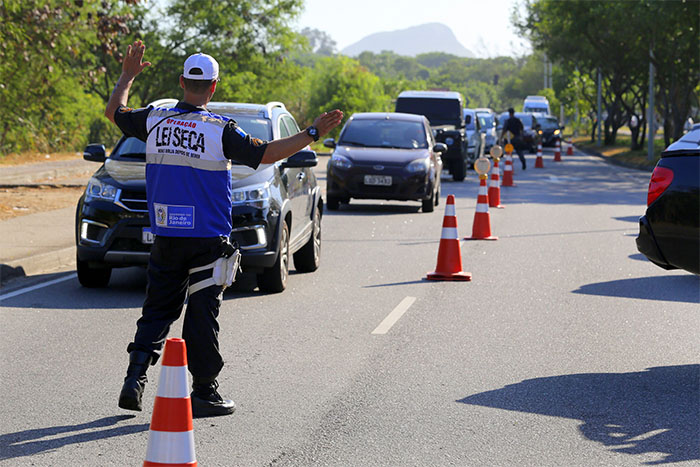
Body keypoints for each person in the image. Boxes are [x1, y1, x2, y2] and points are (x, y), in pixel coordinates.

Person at [105, 40, 343, 417]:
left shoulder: (154, 120)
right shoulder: (219, 130)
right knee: (202, 317)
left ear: (181, 81)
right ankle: (203, 393)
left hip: (167, 235)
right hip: (207, 241)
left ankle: (134, 379)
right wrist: (312, 131)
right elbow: (267, 153)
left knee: (156, 311)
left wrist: (128, 75)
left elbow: (114, 110)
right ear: (214, 86)